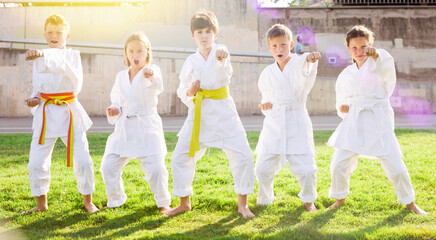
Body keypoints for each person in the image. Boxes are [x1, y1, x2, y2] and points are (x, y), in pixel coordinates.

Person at [163, 10, 255, 218]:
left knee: (243, 155)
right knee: (180, 157)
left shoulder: (221, 52)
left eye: (207, 31)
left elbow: (224, 62)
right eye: (199, 32)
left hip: (224, 113)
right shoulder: (190, 61)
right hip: (199, 115)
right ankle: (183, 202)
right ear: (192, 35)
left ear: (215, 32)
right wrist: (191, 92)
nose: (204, 36)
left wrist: (222, 56)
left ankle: (243, 204)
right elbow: (182, 90)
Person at [327, 25, 427, 215]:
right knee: (339, 163)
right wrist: (343, 108)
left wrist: (376, 56)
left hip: (377, 120)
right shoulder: (345, 74)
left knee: (396, 167)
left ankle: (409, 202)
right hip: (354, 121)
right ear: (348, 48)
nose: (359, 51)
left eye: (364, 47)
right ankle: (340, 198)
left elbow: (387, 71)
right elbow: (341, 102)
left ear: (370, 45)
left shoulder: (380, 62)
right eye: (354, 48)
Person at [23, 14, 98, 214]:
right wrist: (34, 99)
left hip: (69, 112)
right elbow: (38, 87)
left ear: (68, 35)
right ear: (44, 35)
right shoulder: (40, 57)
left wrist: (42, 53)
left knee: (83, 160)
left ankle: (88, 201)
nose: (54, 36)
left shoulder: (73, 56)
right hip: (46, 113)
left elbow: (64, 67)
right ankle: (41, 204)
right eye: (50, 32)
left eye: (58, 32)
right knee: (36, 162)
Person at [100, 32, 171, 213]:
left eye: (139, 51)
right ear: (126, 54)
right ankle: (116, 199)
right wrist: (114, 109)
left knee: (155, 169)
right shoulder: (121, 76)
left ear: (147, 52)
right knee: (108, 166)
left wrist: (150, 77)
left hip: (146, 126)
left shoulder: (152, 70)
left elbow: (158, 86)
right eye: (131, 51)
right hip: (124, 127)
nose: (135, 55)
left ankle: (163, 202)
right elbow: (116, 100)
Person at [255, 24, 321, 212]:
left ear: (291, 45)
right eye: (274, 46)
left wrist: (310, 59)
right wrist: (266, 105)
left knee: (307, 169)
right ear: (269, 48)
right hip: (274, 123)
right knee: (262, 168)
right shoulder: (267, 74)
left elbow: (306, 71)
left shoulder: (299, 62)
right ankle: (265, 198)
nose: (279, 50)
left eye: (283, 45)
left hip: (296, 121)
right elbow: (265, 99)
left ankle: (309, 201)